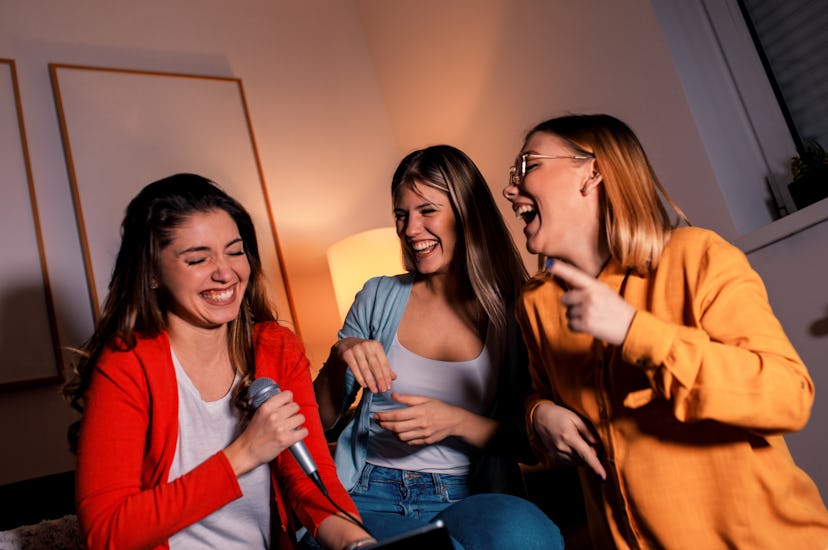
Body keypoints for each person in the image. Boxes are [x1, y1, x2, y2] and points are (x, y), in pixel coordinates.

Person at [502, 113, 828, 548]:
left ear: (592, 173)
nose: (510, 188)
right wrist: (538, 416)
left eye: (529, 166)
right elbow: (544, 403)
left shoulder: (698, 257)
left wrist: (636, 331)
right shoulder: (536, 303)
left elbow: (787, 396)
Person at [62, 173, 375, 550]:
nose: (225, 272)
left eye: (235, 251)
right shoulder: (127, 365)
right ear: (153, 274)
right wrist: (243, 454)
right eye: (197, 258)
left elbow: (310, 483)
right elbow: (107, 533)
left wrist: (357, 543)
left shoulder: (277, 349)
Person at [313, 145, 564, 549]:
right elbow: (320, 421)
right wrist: (342, 355)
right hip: (368, 492)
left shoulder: (516, 308)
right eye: (401, 215)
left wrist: (456, 422)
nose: (411, 229)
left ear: (467, 214)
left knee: (530, 535)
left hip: (464, 494)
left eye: (427, 211)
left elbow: (531, 445)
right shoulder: (378, 295)